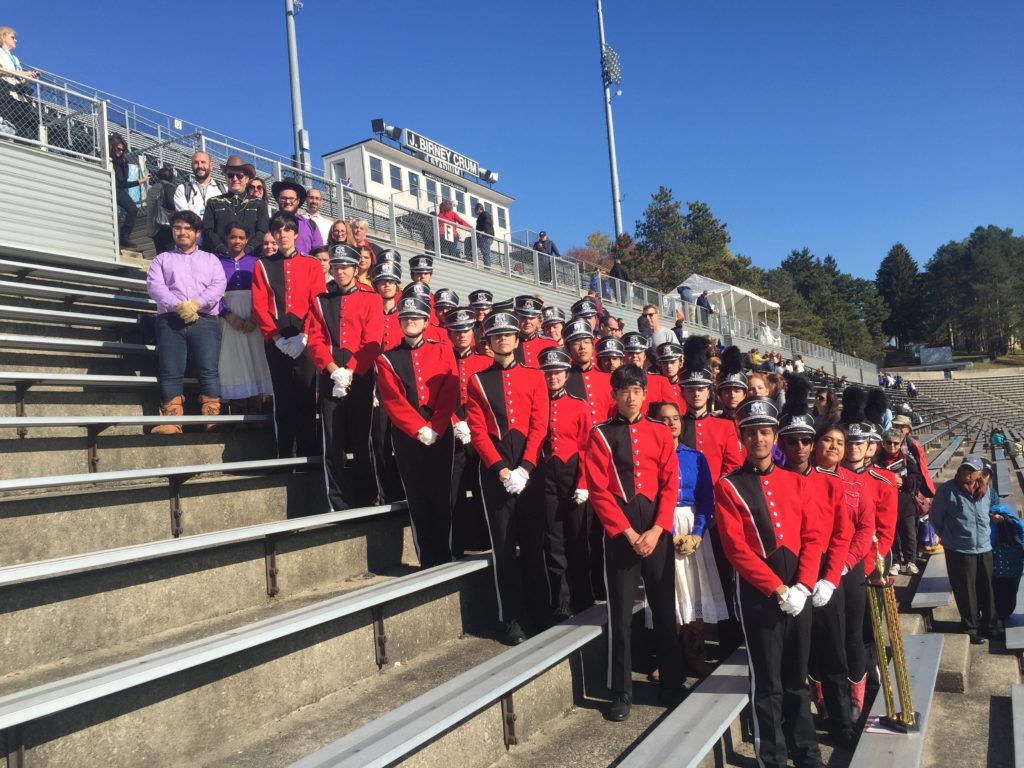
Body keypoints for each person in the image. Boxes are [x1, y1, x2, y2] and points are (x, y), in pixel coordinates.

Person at [716, 396, 824, 768]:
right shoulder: (729, 486)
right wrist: (777, 588)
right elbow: (736, 549)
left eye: (765, 432)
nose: (759, 440)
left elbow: (813, 538)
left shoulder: (797, 482)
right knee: (768, 681)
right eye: (752, 434)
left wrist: (804, 585)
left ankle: (806, 751)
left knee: (798, 676)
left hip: (799, 590)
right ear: (742, 438)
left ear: (775, 436)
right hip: (761, 596)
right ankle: (773, 757)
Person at [585, 364, 683, 721]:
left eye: (636, 390)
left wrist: (657, 530)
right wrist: (626, 533)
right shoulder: (600, 434)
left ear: (645, 394)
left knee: (664, 609)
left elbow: (670, 485)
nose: (630, 396)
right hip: (621, 533)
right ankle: (620, 689)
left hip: (656, 530)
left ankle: (673, 681)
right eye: (623, 391)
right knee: (621, 614)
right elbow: (598, 490)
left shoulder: (659, 431)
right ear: (614, 395)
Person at [776, 376, 855, 747]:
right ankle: (796, 731)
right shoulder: (773, 483)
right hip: (790, 578)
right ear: (783, 444)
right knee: (795, 661)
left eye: (807, 440)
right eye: (792, 441)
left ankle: (841, 721)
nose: (801, 447)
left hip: (825, 578)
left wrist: (831, 578)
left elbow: (842, 535)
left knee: (834, 655)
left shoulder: (832, 484)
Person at [466, 311, 550, 646]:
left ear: (518, 339)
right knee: (503, 546)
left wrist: (526, 467)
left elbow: (539, 424)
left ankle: (540, 611)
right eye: (496, 335)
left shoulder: (534, 377)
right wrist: (501, 469)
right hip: (495, 472)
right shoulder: (477, 380)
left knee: (534, 543)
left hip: (530, 470)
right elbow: (477, 430)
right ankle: (512, 617)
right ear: (488, 341)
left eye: (508, 334)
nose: (503, 339)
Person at [376, 294, 458, 567]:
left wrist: (435, 425)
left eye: (415, 318)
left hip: (440, 429)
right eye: (406, 318)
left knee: (440, 492)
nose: (410, 321)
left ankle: (444, 553)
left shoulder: (443, 349)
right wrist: (418, 429)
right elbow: (392, 399)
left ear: (425, 322)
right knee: (417, 494)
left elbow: (450, 390)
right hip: (408, 434)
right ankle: (426, 556)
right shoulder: (387, 358)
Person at [305, 243, 383, 510]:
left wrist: (349, 370)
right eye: (336, 267)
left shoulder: (371, 298)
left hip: (359, 376)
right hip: (330, 376)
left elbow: (373, 341)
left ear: (355, 268)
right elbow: (314, 340)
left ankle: (368, 494)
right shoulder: (320, 300)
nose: (340, 272)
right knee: (332, 440)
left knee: (363, 440)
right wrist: (331, 369)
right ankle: (337, 501)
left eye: (345, 267)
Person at [654, 400, 726, 678]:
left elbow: (706, 499)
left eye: (675, 418)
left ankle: (695, 653)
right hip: (662, 527)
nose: (671, 423)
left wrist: (697, 534)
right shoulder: (650, 455)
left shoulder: (695, 457)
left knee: (694, 590)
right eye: (664, 418)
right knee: (669, 593)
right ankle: (669, 657)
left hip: (692, 527)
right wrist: (665, 532)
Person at [251, 211, 325, 459]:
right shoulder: (262, 264)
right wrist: (275, 337)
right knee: (283, 399)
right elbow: (259, 306)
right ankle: (285, 455)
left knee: (306, 396)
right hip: (276, 340)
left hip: (306, 340)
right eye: (277, 230)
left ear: (295, 233)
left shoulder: (312, 264)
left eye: (287, 230)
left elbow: (318, 304)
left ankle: (309, 453)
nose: (282, 235)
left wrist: (306, 336)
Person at [146, 211, 226, 434]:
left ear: (197, 233)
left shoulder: (211, 260)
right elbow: (155, 286)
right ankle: (172, 418)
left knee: (209, 369)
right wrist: (179, 306)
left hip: (205, 320)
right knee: (170, 369)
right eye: (178, 228)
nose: (182, 232)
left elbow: (218, 285)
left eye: (188, 228)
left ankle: (212, 416)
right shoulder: (161, 259)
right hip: (170, 321)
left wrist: (196, 305)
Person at [536, 347, 594, 619]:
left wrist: (583, 482)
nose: (553, 377)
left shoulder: (579, 405)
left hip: (573, 474)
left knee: (577, 538)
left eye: (557, 372)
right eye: (548, 373)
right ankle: (561, 601)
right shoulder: (535, 402)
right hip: (545, 474)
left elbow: (586, 447)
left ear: (567, 374)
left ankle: (584, 596)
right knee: (553, 539)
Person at [930, 455, 996, 644]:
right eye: (964, 469)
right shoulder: (947, 490)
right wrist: (951, 537)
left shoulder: (986, 490)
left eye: (971, 470)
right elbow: (936, 518)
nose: (967, 473)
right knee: (966, 590)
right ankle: (970, 627)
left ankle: (990, 625)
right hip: (959, 549)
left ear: (980, 473)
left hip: (984, 546)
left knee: (988, 588)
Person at [445, 307, 492, 557]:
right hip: (451, 430)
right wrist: (454, 421)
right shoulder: (441, 360)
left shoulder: (485, 362)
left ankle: (485, 540)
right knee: (454, 489)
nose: (461, 335)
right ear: (449, 334)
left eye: (465, 330)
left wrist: (472, 425)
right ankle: (457, 543)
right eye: (456, 331)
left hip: (478, 432)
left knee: (482, 485)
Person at [216, 224, 273, 418]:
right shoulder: (217, 263)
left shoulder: (257, 262)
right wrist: (227, 315)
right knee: (233, 361)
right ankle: (237, 409)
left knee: (256, 358)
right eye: (233, 237)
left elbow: (265, 292)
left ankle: (255, 408)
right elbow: (213, 293)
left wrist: (255, 317)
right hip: (230, 317)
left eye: (241, 237)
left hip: (253, 314)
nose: (237, 241)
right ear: (226, 239)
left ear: (247, 240)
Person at [677, 337, 743, 484]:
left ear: (709, 392)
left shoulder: (725, 427)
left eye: (701, 389)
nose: (696, 394)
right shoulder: (676, 425)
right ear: (682, 392)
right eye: (691, 390)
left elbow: (733, 466)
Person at [875, 427, 925, 575]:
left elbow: (918, 478)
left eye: (895, 443)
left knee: (909, 534)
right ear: (883, 443)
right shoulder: (876, 460)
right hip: (885, 505)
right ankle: (895, 562)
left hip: (905, 504)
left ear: (900, 443)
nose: (892, 446)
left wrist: (903, 482)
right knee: (890, 536)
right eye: (888, 442)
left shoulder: (906, 458)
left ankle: (911, 561)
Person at [202, 155, 269, 256]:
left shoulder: (259, 204)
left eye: (239, 175)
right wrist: (224, 250)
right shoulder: (213, 202)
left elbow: (262, 231)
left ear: (246, 179)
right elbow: (208, 230)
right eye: (230, 175)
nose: (235, 178)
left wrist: (246, 251)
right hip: (221, 258)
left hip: (250, 258)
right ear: (226, 178)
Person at [110, 133, 149, 249]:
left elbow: (123, 183)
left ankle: (124, 237)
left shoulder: (123, 163)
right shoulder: (108, 159)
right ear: (113, 147)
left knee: (133, 209)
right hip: (108, 186)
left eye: (123, 150)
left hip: (118, 190)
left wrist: (140, 181)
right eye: (118, 149)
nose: (121, 152)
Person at [0, 26, 39, 140]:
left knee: (25, 125)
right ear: (3, 37)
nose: (15, 40)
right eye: (12, 37)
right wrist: (24, 74)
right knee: (8, 121)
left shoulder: (15, 59)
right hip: (6, 93)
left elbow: (20, 76)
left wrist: (30, 76)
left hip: (20, 96)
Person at [272, 179, 323, 256]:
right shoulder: (270, 224)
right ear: (278, 200)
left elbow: (319, 255)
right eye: (284, 198)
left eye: (291, 198)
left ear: (298, 201)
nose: (287, 202)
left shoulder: (311, 225)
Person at [173, 151, 225, 219]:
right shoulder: (182, 189)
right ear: (192, 166)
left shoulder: (223, 189)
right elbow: (185, 219)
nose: (200, 166)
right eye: (196, 163)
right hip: (194, 229)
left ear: (211, 166)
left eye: (203, 162)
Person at [513, 295, 557, 367]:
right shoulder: (508, 343)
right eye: (523, 317)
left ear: (539, 322)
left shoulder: (550, 344)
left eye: (532, 318)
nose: (527, 321)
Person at [146, 165, 178, 255]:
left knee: (160, 253)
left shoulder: (151, 189)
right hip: (166, 225)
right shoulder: (170, 187)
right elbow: (172, 205)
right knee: (170, 253)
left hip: (153, 226)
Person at [714, 346, 747, 422]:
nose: (732, 395)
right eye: (727, 391)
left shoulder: (750, 424)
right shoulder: (713, 422)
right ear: (719, 395)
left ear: (745, 394)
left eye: (737, 391)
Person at [474, 202, 495, 268]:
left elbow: (487, 223)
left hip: (487, 237)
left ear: (479, 209)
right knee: (468, 240)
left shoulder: (485, 214)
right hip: (480, 237)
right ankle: (470, 256)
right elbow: (477, 229)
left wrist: (484, 231)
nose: (474, 210)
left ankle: (487, 268)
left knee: (486, 252)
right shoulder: (479, 218)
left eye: (475, 209)